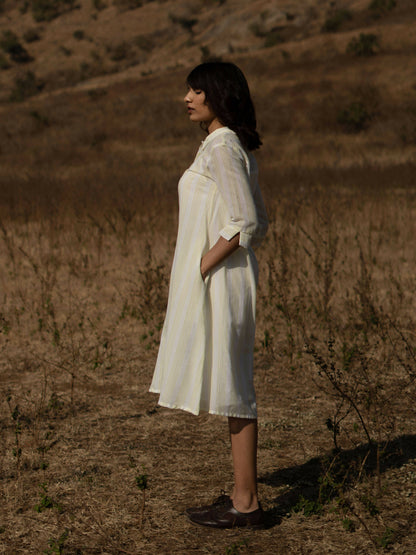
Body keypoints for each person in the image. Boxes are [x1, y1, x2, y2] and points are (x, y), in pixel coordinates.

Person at [149, 61, 268, 529]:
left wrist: (200, 265)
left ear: (218, 95)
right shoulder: (226, 145)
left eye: (196, 90)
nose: (187, 98)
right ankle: (244, 496)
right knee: (229, 382)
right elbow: (258, 215)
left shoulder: (222, 146)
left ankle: (247, 504)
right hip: (228, 274)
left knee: (234, 386)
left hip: (222, 276)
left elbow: (246, 221)